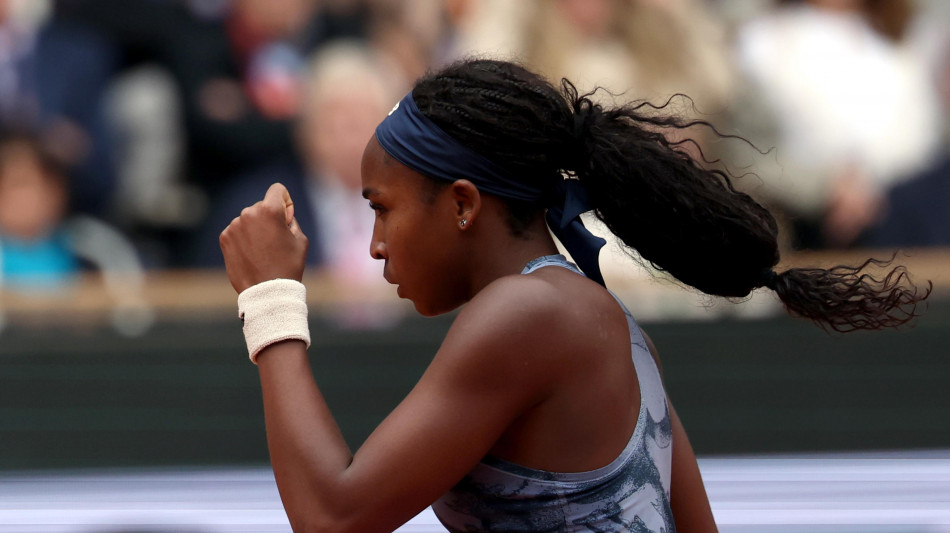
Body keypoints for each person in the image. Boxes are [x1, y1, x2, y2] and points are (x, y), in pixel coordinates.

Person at [218, 59, 929, 532]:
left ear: (462, 205)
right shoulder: (608, 323)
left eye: (383, 208)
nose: (375, 244)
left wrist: (271, 296)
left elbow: (333, 518)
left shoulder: (527, 314)